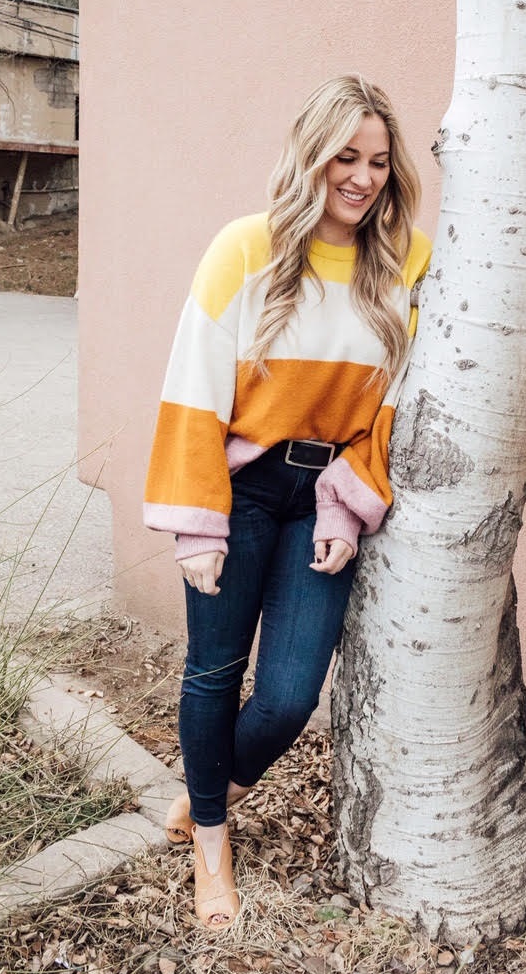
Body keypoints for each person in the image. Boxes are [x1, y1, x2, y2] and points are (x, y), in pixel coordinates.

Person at [143, 74, 431, 929]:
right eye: (345, 155)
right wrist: (199, 522)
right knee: (214, 671)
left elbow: (396, 405)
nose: (363, 177)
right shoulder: (246, 248)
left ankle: (212, 790)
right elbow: (191, 386)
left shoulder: (408, 260)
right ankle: (211, 842)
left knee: (290, 695)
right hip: (242, 488)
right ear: (310, 156)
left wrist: (350, 503)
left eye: (379, 160)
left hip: (326, 493)